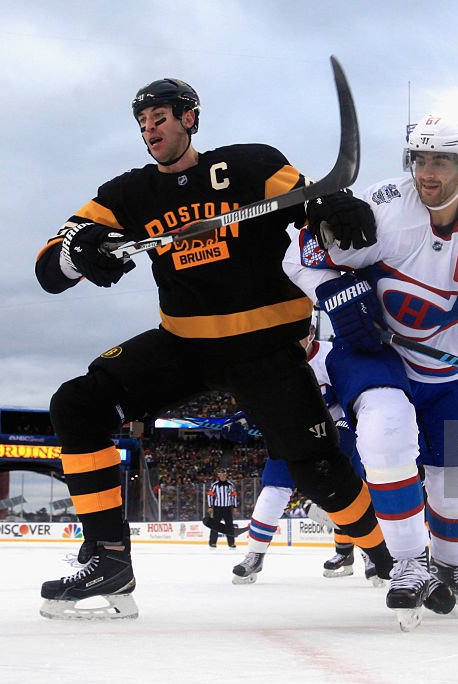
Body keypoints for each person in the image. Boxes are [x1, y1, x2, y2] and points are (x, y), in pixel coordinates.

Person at [34, 76, 385, 620]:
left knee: (319, 468)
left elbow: (315, 204)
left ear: (190, 119)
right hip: (185, 344)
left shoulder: (250, 165)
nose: (150, 129)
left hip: (265, 347)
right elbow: (49, 268)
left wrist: (339, 210)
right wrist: (79, 253)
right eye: (143, 123)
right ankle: (108, 556)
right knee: (76, 403)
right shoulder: (128, 194)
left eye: (161, 118)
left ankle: (390, 560)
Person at [284, 114, 458, 628]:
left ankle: (452, 567)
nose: (427, 173)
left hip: (442, 365)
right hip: (371, 352)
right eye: (421, 159)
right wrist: (337, 295)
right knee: (387, 428)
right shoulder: (383, 208)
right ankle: (408, 563)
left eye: (442, 161)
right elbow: (298, 255)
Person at [230, 327, 391, 585]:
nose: (293, 340)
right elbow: (264, 402)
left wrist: (344, 436)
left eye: (299, 333)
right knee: (273, 488)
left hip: (339, 427)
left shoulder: (330, 357)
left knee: (351, 491)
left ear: (312, 333)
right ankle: (255, 554)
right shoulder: (275, 363)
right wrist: (245, 416)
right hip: (293, 433)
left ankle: (370, 553)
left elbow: (353, 399)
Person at [207, 468, 239, 549]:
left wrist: (234, 507)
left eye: (224, 474)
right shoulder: (214, 485)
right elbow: (210, 495)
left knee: (229, 525)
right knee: (215, 525)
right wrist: (210, 506)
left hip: (227, 508)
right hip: (217, 508)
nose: (222, 476)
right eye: (220, 474)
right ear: (218, 475)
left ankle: (231, 543)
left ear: (226, 475)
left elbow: (234, 496)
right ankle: (212, 543)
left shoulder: (230, 485)